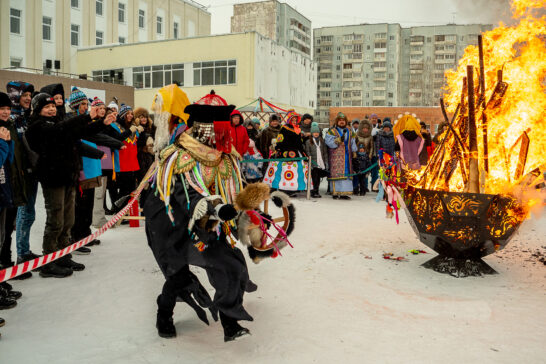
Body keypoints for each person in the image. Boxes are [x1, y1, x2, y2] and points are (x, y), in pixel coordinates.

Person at [144, 100, 255, 342]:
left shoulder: (225, 157)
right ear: (204, 129)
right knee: (178, 277)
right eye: (221, 130)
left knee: (231, 265)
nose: (225, 135)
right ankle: (164, 312)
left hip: (208, 222)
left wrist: (249, 208)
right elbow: (188, 195)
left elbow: (236, 188)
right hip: (171, 223)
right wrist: (217, 208)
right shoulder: (178, 157)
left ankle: (230, 322)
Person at [25, 93, 112, 278]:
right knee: (55, 220)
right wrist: (88, 116)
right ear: (38, 109)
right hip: (52, 178)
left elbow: (80, 133)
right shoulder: (37, 127)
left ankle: (63, 254)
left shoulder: (58, 123)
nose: (51, 109)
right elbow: (61, 131)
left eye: (53, 107)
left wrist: (101, 123)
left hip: (68, 177)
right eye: (46, 107)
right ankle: (49, 261)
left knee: (68, 220)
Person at [3, 81, 37, 280]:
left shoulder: (25, 117)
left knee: (27, 214)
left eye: (30, 95)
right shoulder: (12, 120)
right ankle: (20, 256)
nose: (28, 98)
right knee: (18, 218)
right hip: (17, 176)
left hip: (28, 173)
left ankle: (24, 251)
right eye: (25, 94)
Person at [0, 92, 22, 311]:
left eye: (7, 108)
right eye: (1, 109)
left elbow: (8, 158)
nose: (6, 112)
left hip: (5, 189)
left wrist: (7, 142)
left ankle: (1, 281)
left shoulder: (7, 128)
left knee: (4, 237)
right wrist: (2, 141)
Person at [104, 104, 142, 212]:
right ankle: (118, 210)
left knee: (130, 189)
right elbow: (118, 139)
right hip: (121, 162)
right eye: (127, 114)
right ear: (122, 115)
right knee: (123, 189)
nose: (130, 116)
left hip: (132, 162)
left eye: (131, 114)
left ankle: (124, 211)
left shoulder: (132, 126)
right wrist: (130, 130)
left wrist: (141, 133)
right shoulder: (115, 126)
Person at [263, 110, 309, 194]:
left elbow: (299, 142)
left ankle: (294, 188)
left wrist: (302, 150)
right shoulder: (284, 128)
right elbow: (280, 139)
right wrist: (279, 148)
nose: (294, 121)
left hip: (296, 152)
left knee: (295, 171)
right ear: (289, 120)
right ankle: (284, 189)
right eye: (293, 120)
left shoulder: (298, 129)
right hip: (286, 152)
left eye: (295, 120)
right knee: (284, 170)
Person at [325, 112, 357, 200]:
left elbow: (353, 142)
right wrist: (337, 140)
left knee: (346, 173)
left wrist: (354, 151)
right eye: (340, 120)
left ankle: (344, 193)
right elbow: (328, 142)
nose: (342, 122)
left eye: (343, 120)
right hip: (336, 156)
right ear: (337, 121)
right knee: (336, 173)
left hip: (347, 156)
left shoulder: (350, 131)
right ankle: (335, 192)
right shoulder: (332, 131)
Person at [304, 122, 328, 198]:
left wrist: (326, 162)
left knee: (318, 178)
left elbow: (325, 152)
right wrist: (309, 162)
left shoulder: (322, 141)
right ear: (311, 133)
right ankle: (313, 191)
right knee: (314, 177)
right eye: (314, 132)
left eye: (317, 132)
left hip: (321, 163)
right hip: (313, 163)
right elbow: (307, 152)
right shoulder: (308, 142)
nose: (316, 134)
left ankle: (316, 190)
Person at [355, 118, 375, 194]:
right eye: (364, 128)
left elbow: (371, 147)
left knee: (365, 173)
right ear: (361, 128)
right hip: (358, 156)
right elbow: (354, 145)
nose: (365, 130)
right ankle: (356, 188)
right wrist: (355, 155)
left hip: (366, 156)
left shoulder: (370, 137)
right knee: (357, 174)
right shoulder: (357, 136)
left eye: (367, 129)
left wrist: (369, 156)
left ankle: (364, 187)